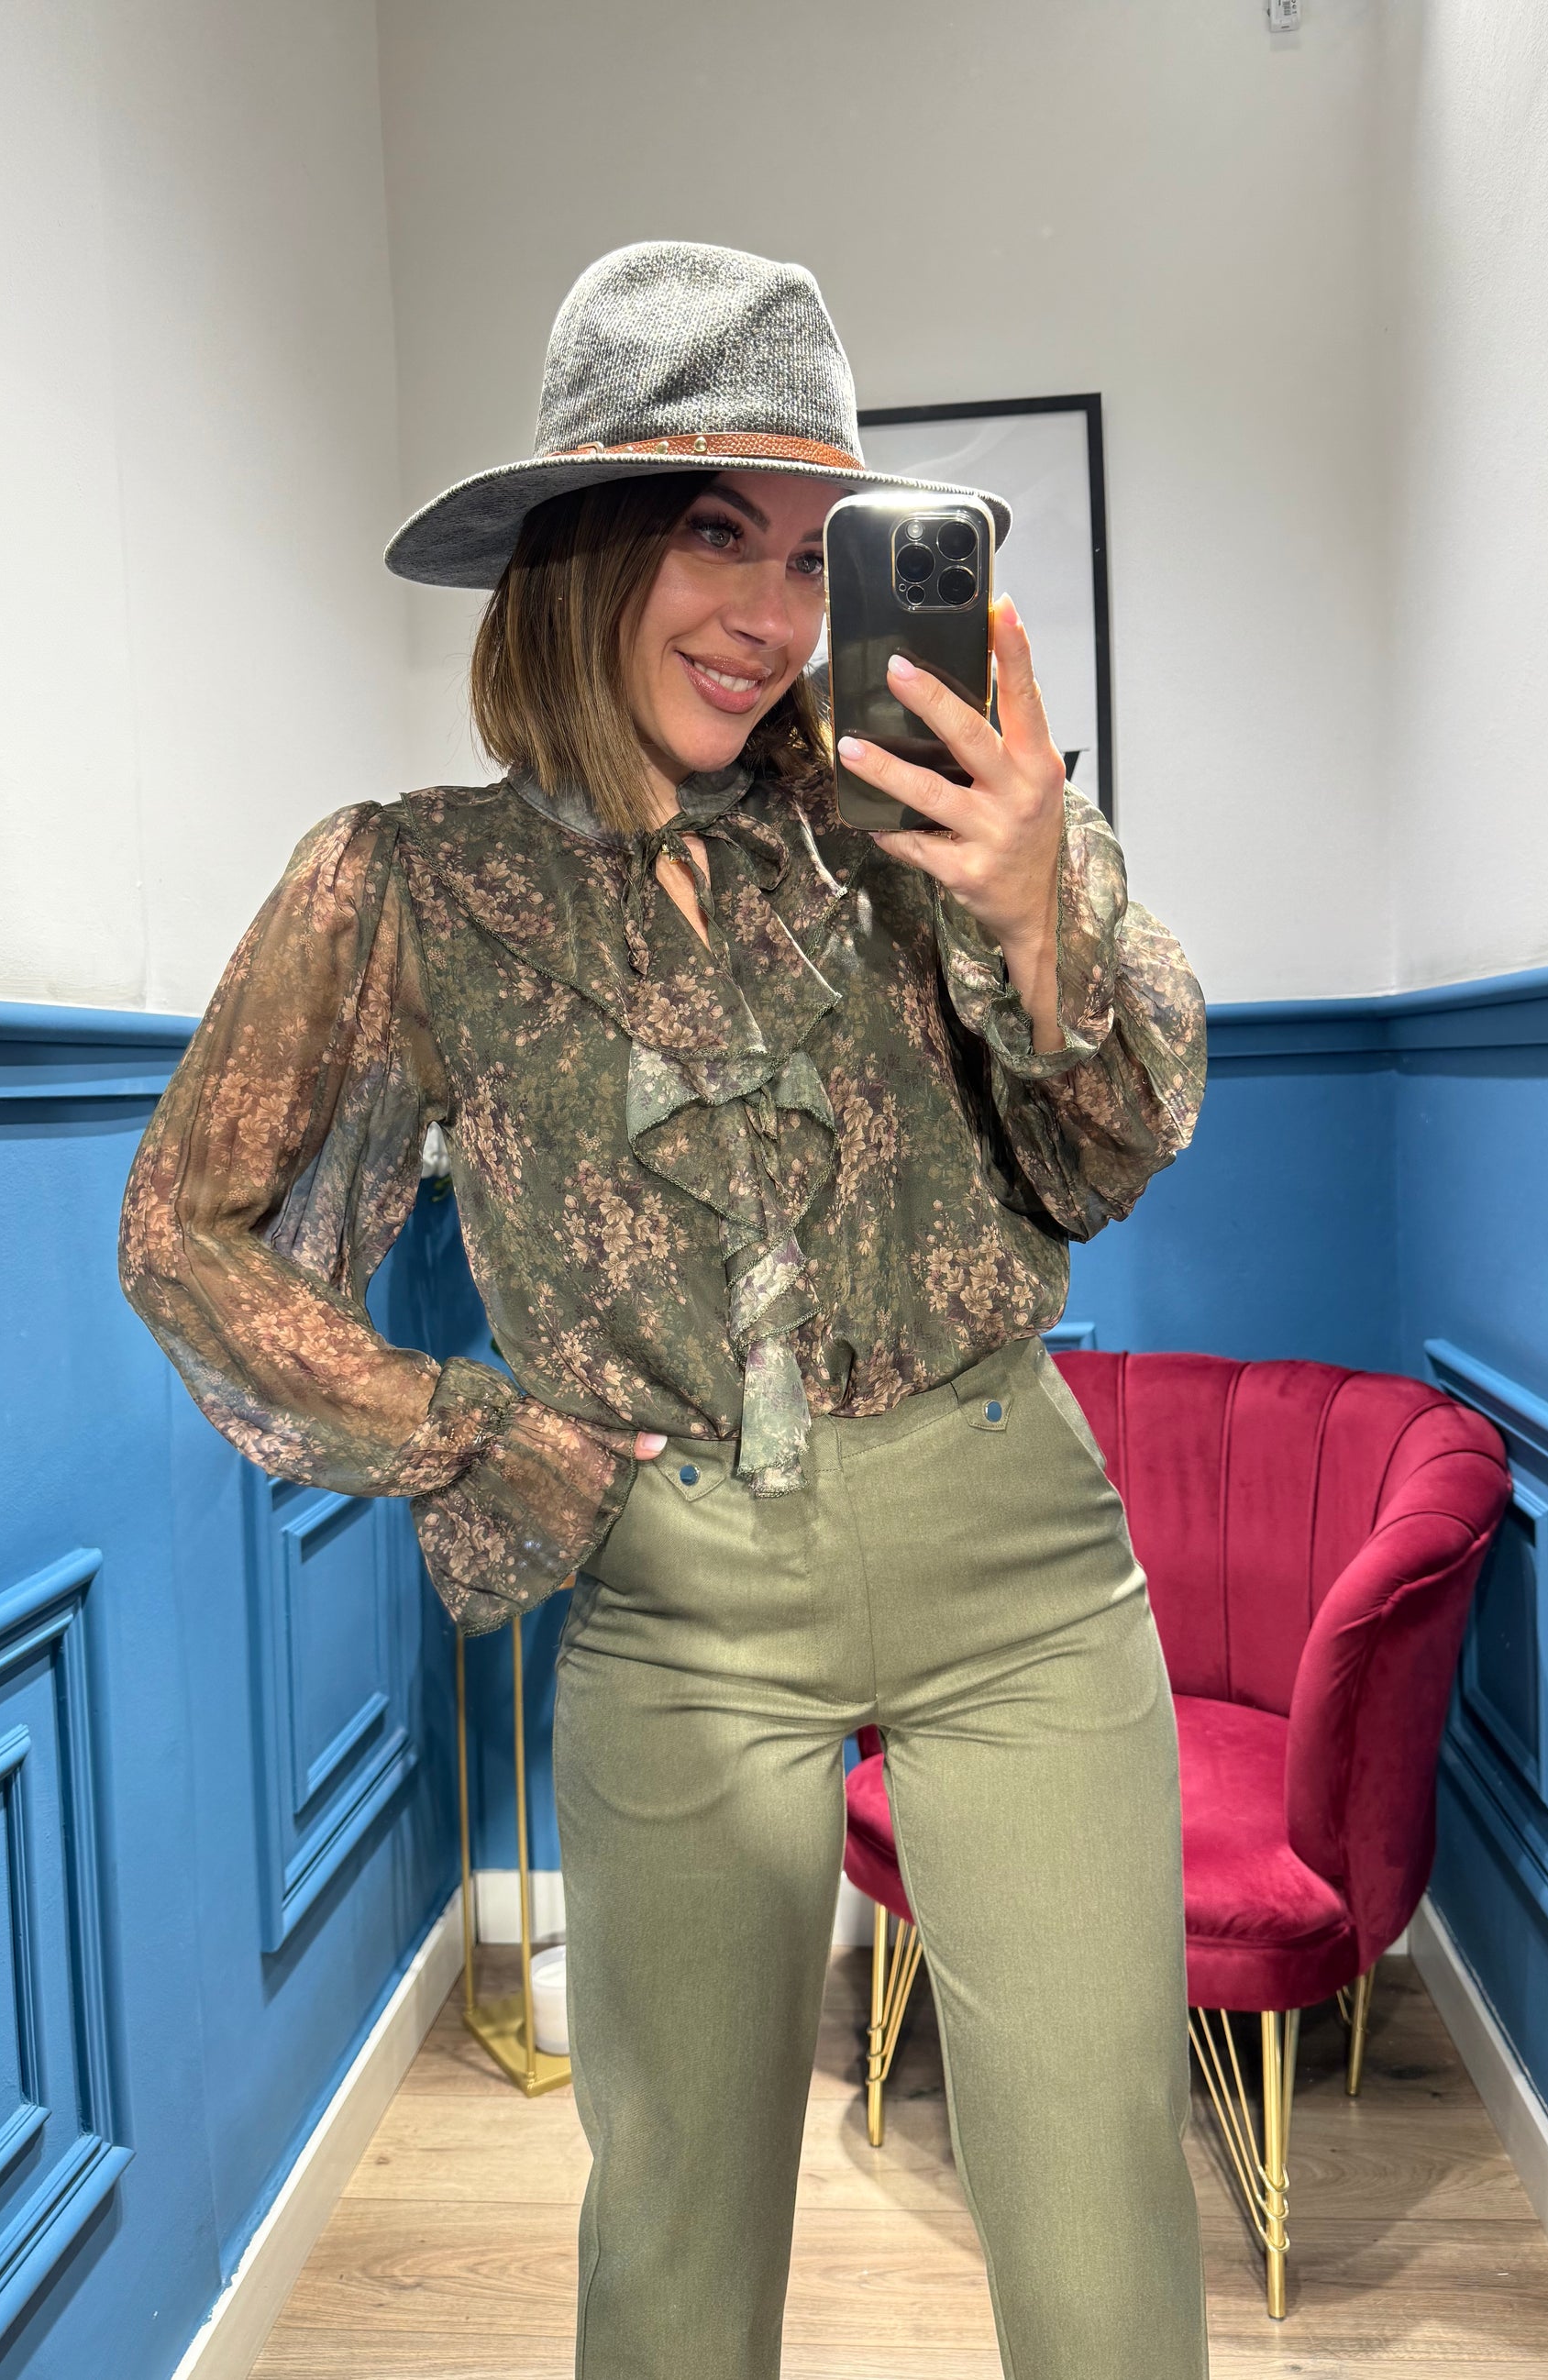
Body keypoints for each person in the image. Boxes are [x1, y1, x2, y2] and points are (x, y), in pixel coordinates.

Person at [120, 241, 1210, 2380]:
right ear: (579, 547)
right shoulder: (405, 884)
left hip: (1021, 1563)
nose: (773, 616)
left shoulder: (917, 813)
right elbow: (186, 1231)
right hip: (678, 1601)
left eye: (813, 555)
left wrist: (1034, 907)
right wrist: (480, 1430)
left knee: (1103, 2235)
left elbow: (1118, 1139)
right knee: (673, 2258)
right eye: (717, 532)